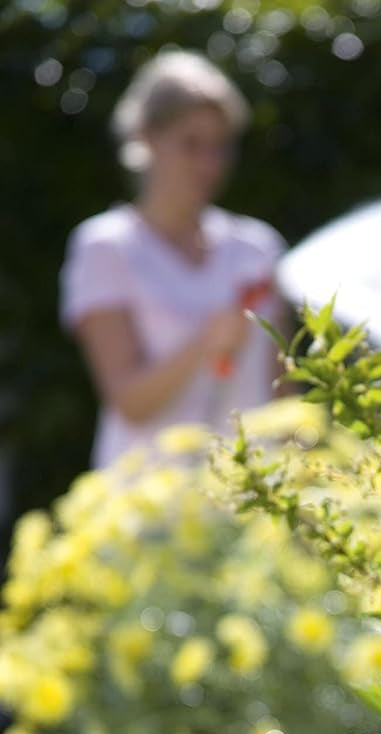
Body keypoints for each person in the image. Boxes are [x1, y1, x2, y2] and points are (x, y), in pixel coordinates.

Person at [60, 50, 286, 470]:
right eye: (191, 144)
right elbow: (129, 401)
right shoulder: (105, 247)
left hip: (251, 501)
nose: (209, 164)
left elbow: (284, 394)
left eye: (219, 147)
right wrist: (206, 342)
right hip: (147, 509)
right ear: (146, 138)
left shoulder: (258, 247)